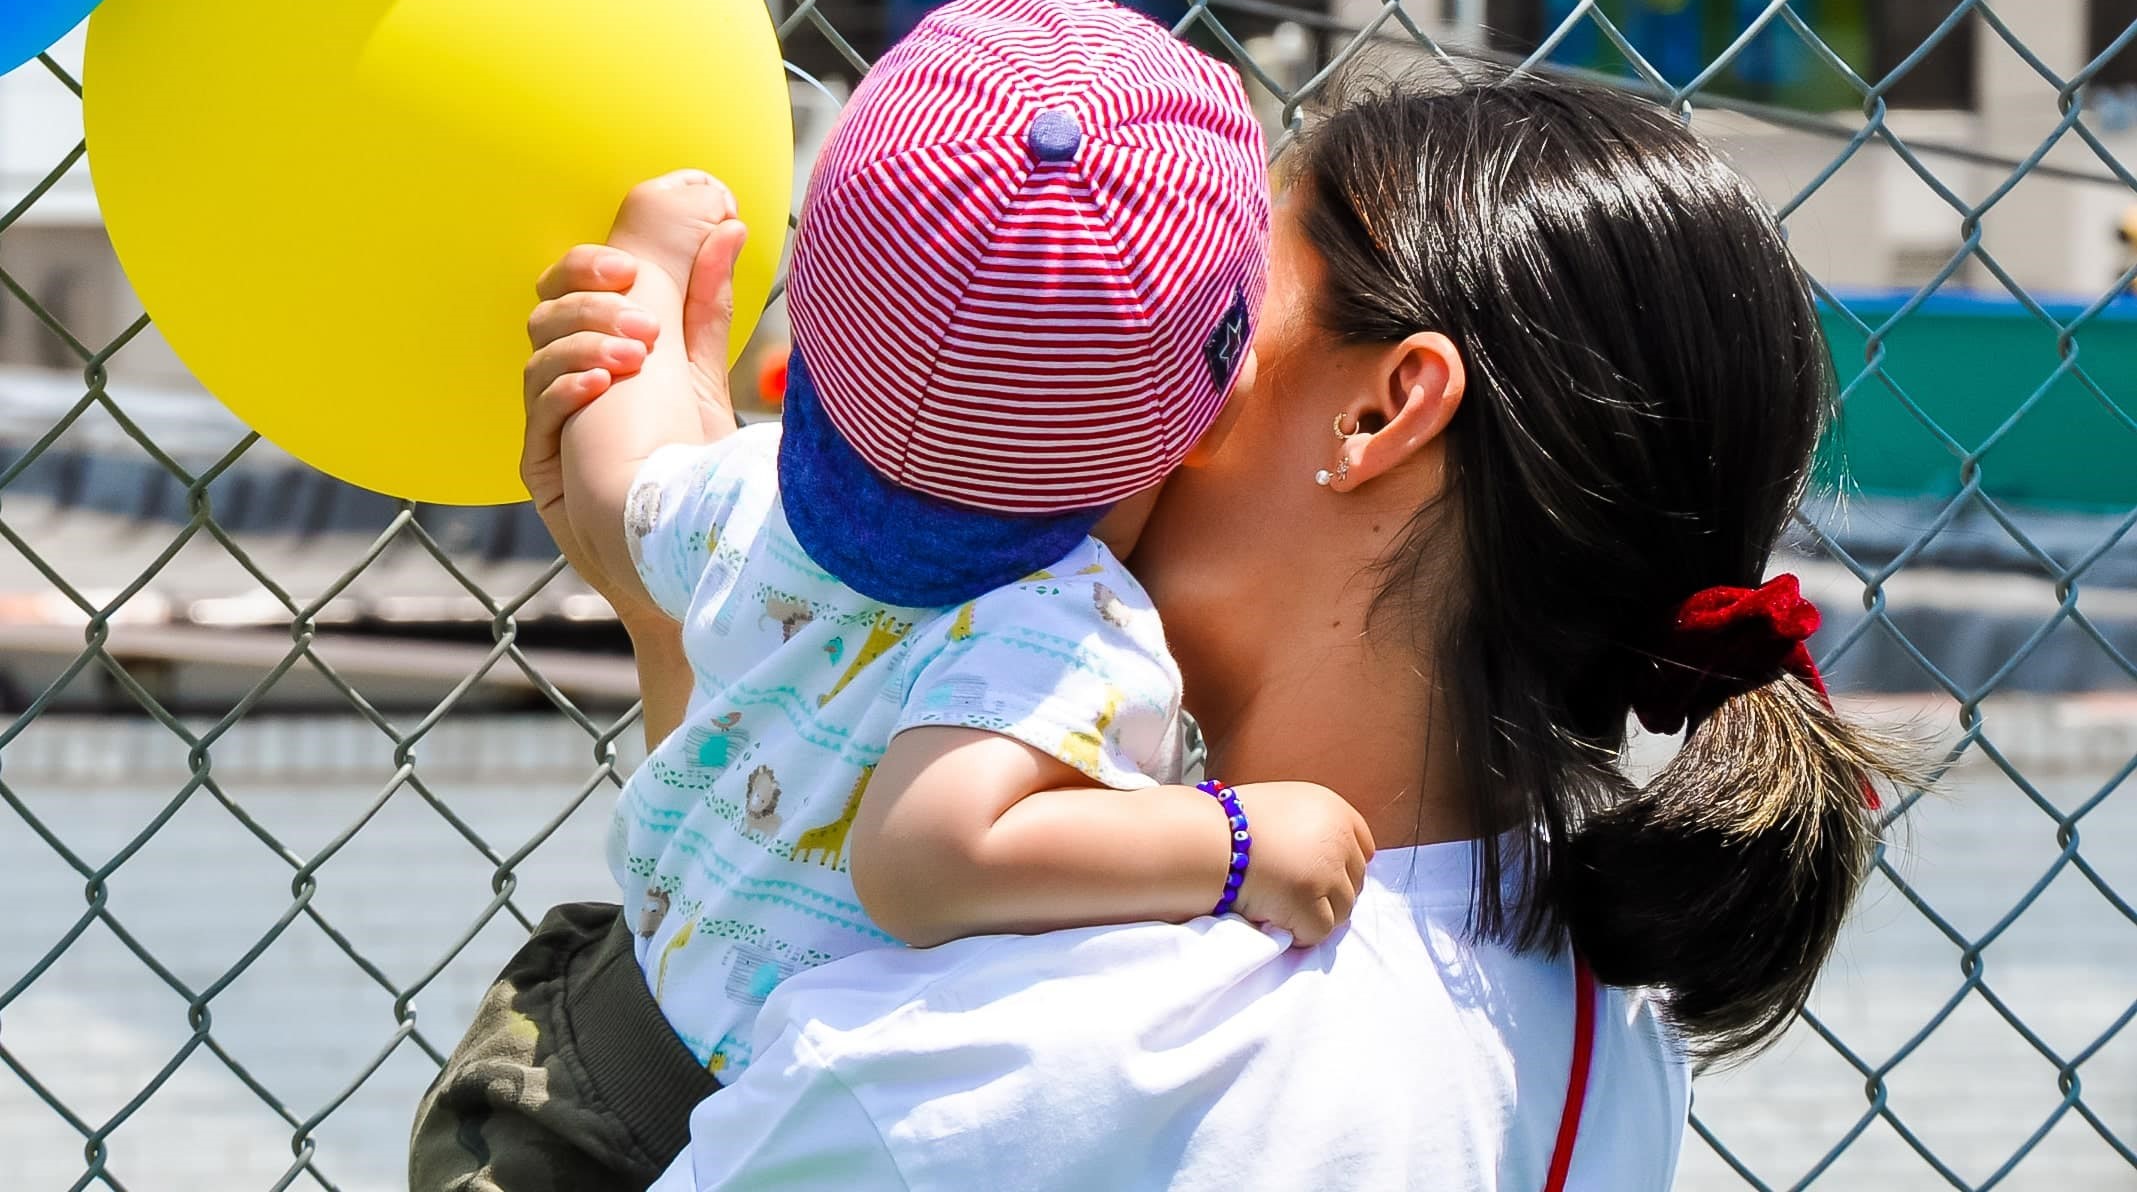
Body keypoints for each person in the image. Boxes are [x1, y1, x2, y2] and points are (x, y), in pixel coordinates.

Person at [416, 69, 1912, 1191]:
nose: (1068, 368)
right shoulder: (1589, 1009)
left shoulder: (1002, 1060)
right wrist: (725, 633)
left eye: (1188, 317)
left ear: (1384, 410)